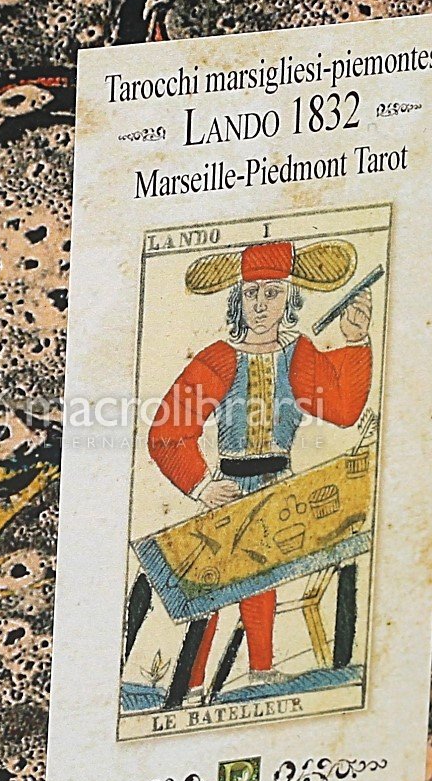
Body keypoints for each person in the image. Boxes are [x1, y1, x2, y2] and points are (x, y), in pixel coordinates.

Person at [147, 239, 372, 699]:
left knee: (261, 581)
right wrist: (203, 484)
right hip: (227, 489)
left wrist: (356, 341)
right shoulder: (218, 358)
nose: (262, 305)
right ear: (237, 299)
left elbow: (344, 408)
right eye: (252, 294)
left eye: (273, 293)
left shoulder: (299, 355)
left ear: (290, 299)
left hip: (279, 486)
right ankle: (190, 683)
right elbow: (167, 431)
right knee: (209, 586)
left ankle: (261, 671)